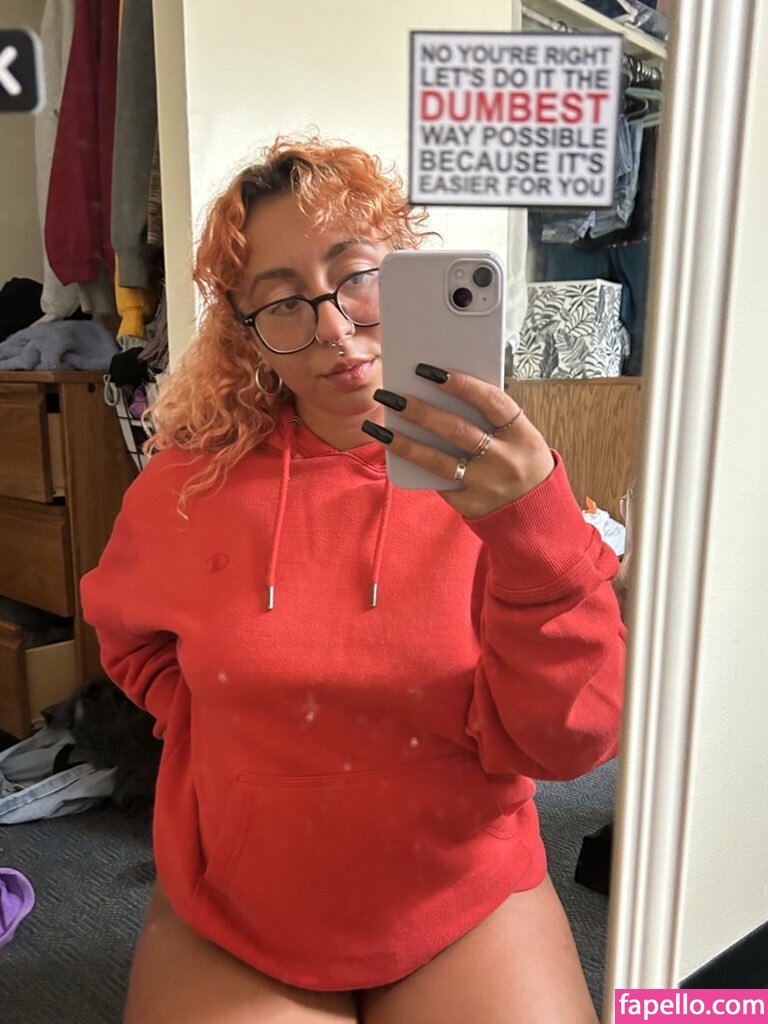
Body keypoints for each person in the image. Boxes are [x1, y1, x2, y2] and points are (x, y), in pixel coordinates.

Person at [81, 137, 626, 1024]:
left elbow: (572, 746)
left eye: (357, 278)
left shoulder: (504, 482)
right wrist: (222, 728)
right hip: (244, 894)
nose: (334, 328)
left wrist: (533, 533)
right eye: (283, 302)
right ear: (249, 333)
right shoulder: (184, 488)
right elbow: (128, 638)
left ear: (407, 274)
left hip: (459, 885)